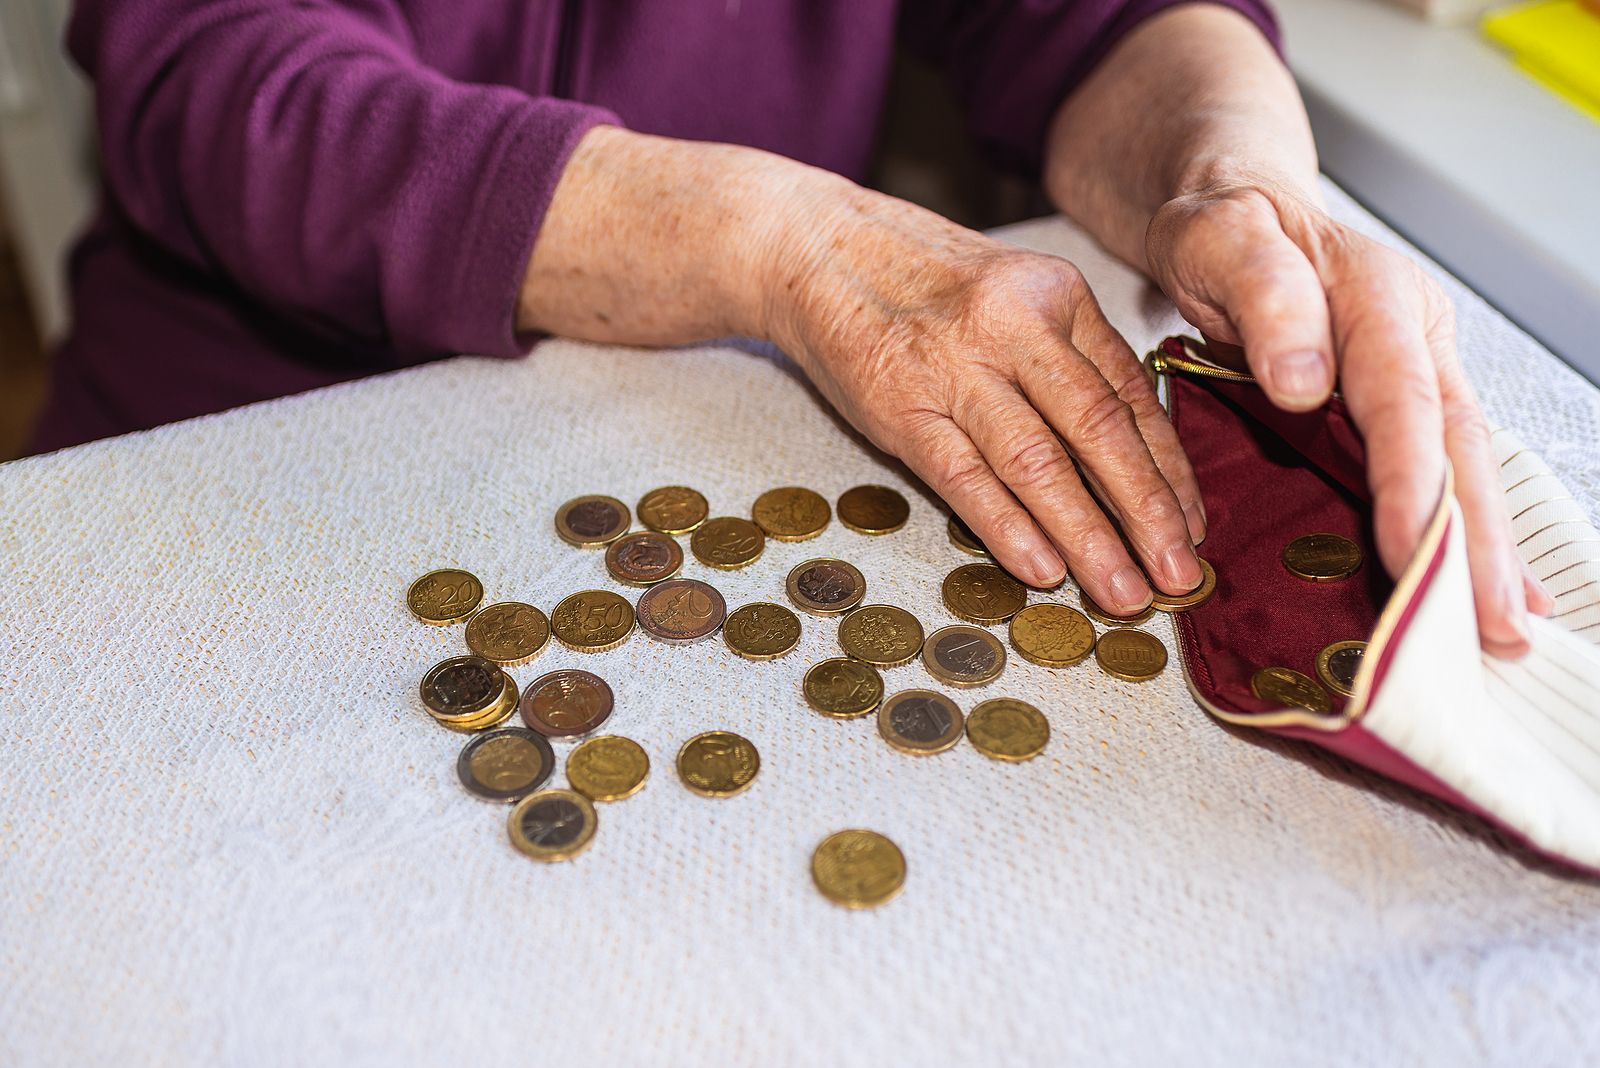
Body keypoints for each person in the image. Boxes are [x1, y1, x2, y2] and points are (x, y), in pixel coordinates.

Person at [32, 0, 1547, 655]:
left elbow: (1091, 19)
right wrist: (773, 238)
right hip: (229, 472)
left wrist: (1240, 184)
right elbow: (223, 81)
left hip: (696, 438)